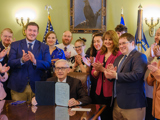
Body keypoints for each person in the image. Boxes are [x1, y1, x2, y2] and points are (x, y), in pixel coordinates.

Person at [104, 33, 147, 120]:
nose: (121, 46)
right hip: (117, 103)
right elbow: (115, 77)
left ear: (132, 43)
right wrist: (110, 73)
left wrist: (115, 75)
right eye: (119, 44)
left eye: (124, 43)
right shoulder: (119, 58)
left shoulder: (139, 56)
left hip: (133, 104)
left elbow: (137, 74)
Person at [7, 22, 51, 101]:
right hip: (18, 87)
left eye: (34, 31)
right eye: (30, 30)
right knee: (17, 112)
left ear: (37, 33)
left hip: (37, 87)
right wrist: (21, 60)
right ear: (25, 31)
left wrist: (35, 61)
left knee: (37, 112)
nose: (32, 33)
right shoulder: (15, 45)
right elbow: (10, 63)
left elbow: (48, 64)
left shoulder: (44, 47)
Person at [91, 30, 121, 120]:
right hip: (99, 91)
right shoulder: (100, 53)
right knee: (101, 115)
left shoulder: (118, 54)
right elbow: (94, 72)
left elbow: (116, 73)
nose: (107, 41)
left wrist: (102, 69)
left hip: (111, 91)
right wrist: (96, 71)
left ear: (114, 40)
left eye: (110, 39)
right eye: (105, 39)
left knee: (109, 116)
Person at [143, 28, 160, 120]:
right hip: (149, 93)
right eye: (156, 34)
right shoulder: (151, 49)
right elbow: (142, 66)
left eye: (159, 34)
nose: (156, 37)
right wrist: (151, 55)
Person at [85, 33, 103, 104]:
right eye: (94, 42)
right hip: (93, 82)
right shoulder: (91, 51)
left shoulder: (106, 54)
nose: (96, 43)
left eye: (98, 41)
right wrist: (89, 65)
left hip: (102, 83)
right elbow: (89, 72)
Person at [0, 28, 14, 100]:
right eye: (5, 36)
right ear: (1, 36)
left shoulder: (15, 47)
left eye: (10, 37)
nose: (7, 38)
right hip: (1, 81)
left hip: (13, 80)